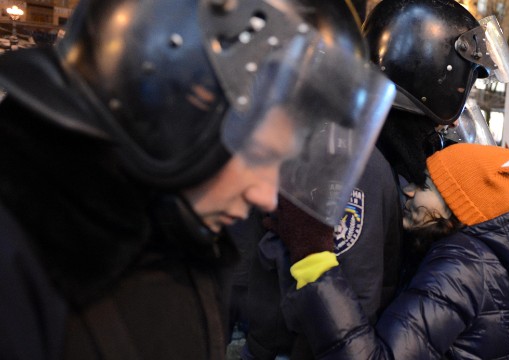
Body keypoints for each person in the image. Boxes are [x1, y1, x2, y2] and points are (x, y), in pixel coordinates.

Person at [0, 0, 396, 359]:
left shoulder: (177, 231)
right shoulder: (17, 265)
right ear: (176, 115)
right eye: (259, 155)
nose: (265, 194)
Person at [240, 0, 509, 358]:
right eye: (464, 77)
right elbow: (356, 299)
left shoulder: (380, 145)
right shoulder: (360, 160)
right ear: (435, 70)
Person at [277, 143, 509, 359]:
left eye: (425, 185)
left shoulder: (461, 268)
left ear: (455, 208)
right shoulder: (479, 256)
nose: (409, 191)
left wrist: (313, 256)